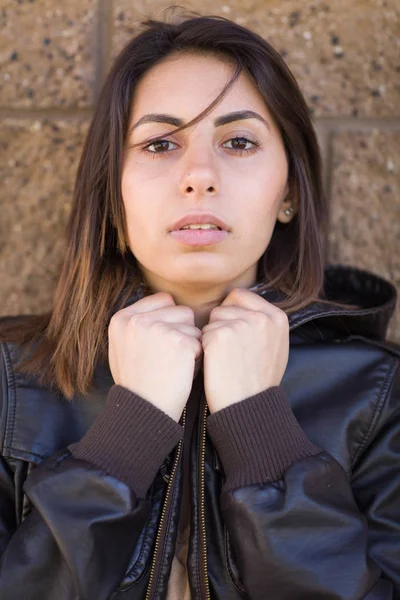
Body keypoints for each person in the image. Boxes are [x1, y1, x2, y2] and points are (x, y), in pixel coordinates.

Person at [0, 12, 399, 600]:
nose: (200, 176)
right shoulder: (12, 382)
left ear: (288, 191)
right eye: (161, 143)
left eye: (238, 141)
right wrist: (124, 438)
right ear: (113, 193)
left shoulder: (380, 395)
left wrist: (263, 431)